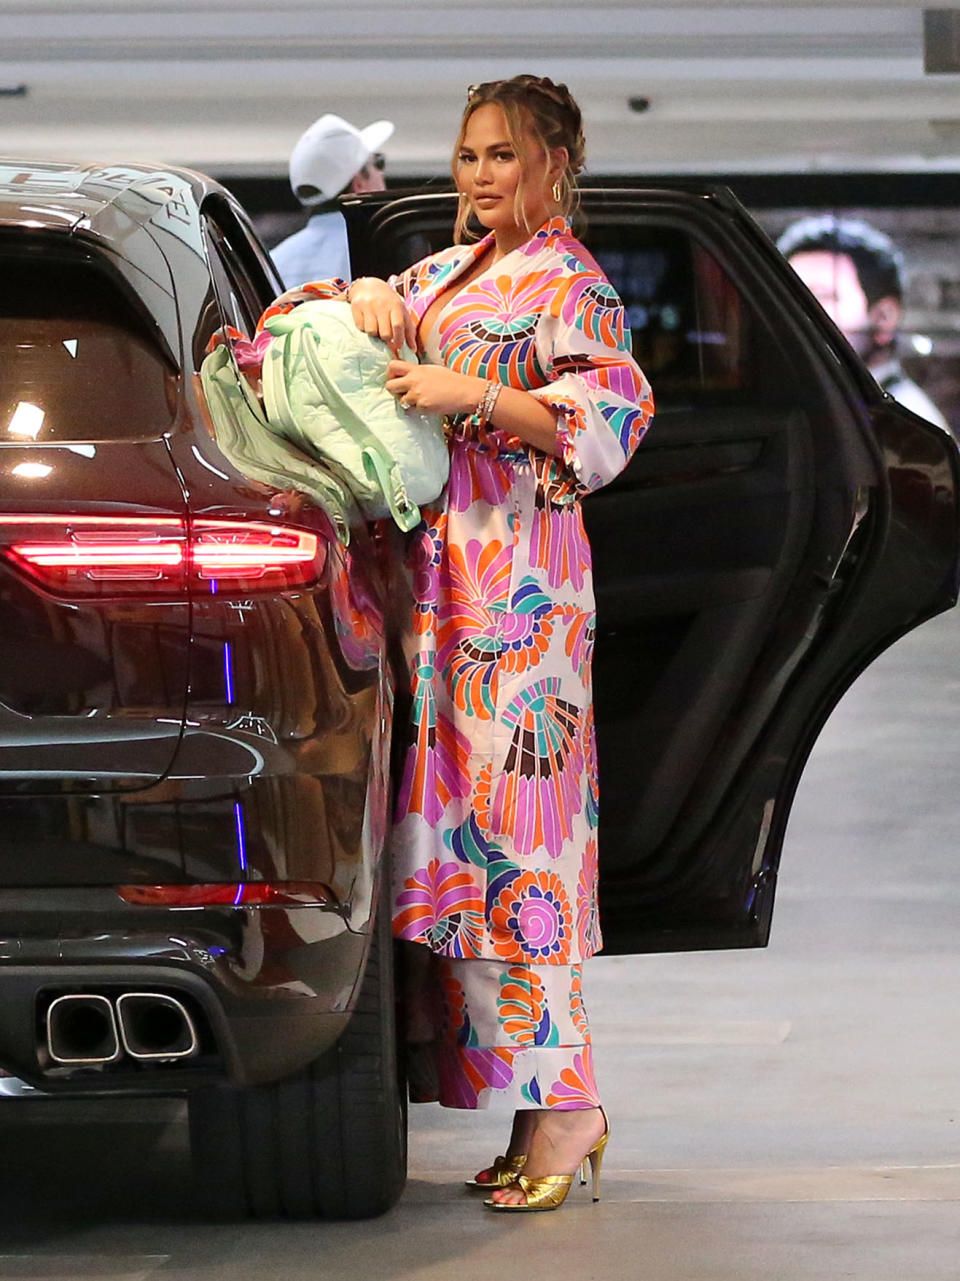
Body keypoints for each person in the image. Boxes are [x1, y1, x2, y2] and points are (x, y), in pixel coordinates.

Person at [277, 73, 653, 1213]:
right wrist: (373, 303)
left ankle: (570, 1100)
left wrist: (473, 394)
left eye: (506, 154)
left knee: (525, 844)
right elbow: (294, 320)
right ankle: (525, 1100)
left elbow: (613, 416)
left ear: (556, 164)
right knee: (448, 851)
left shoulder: (570, 281)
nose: (483, 174)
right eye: (471, 154)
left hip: (521, 592)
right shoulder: (443, 274)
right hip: (431, 595)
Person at [777, 214, 949, 430]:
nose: (798, 311)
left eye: (823, 297)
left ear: (884, 318)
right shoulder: (831, 402)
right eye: (788, 295)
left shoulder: (906, 427)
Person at [270, 113, 394, 288]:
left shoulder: (276, 262)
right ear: (358, 183)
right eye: (378, 163)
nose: (381, 173)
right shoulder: (390, 250)